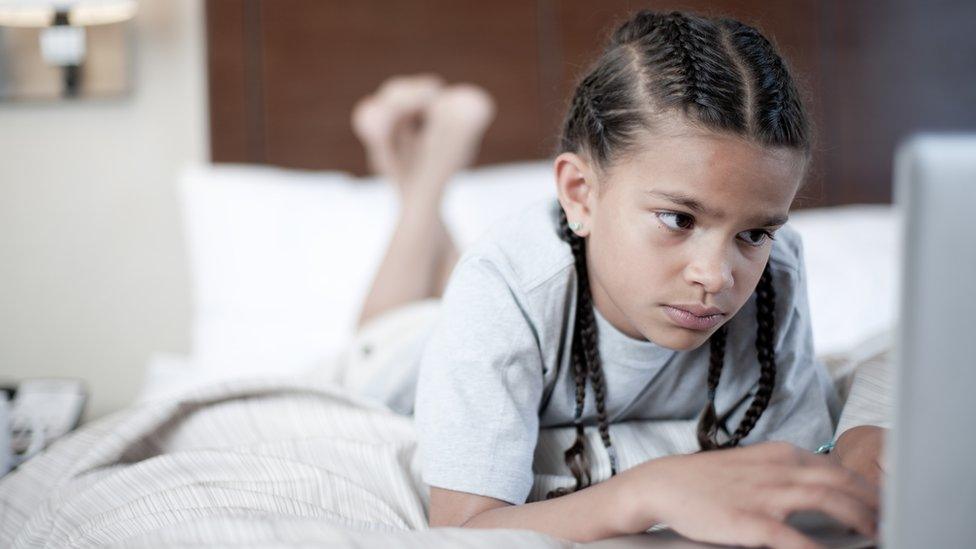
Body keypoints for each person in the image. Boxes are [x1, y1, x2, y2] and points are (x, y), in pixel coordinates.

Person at [350, 10, 885, 548]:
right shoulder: (503, 283)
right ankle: (425, 177)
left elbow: (795, 467)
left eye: (754, 233)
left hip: (537, 282)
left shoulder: (778, 270)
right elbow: (461, 530)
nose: (716, 276)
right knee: (390, 328)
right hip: (421, 343)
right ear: (580, 193)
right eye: (679, 219)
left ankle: (420, 176)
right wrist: (645, 490)